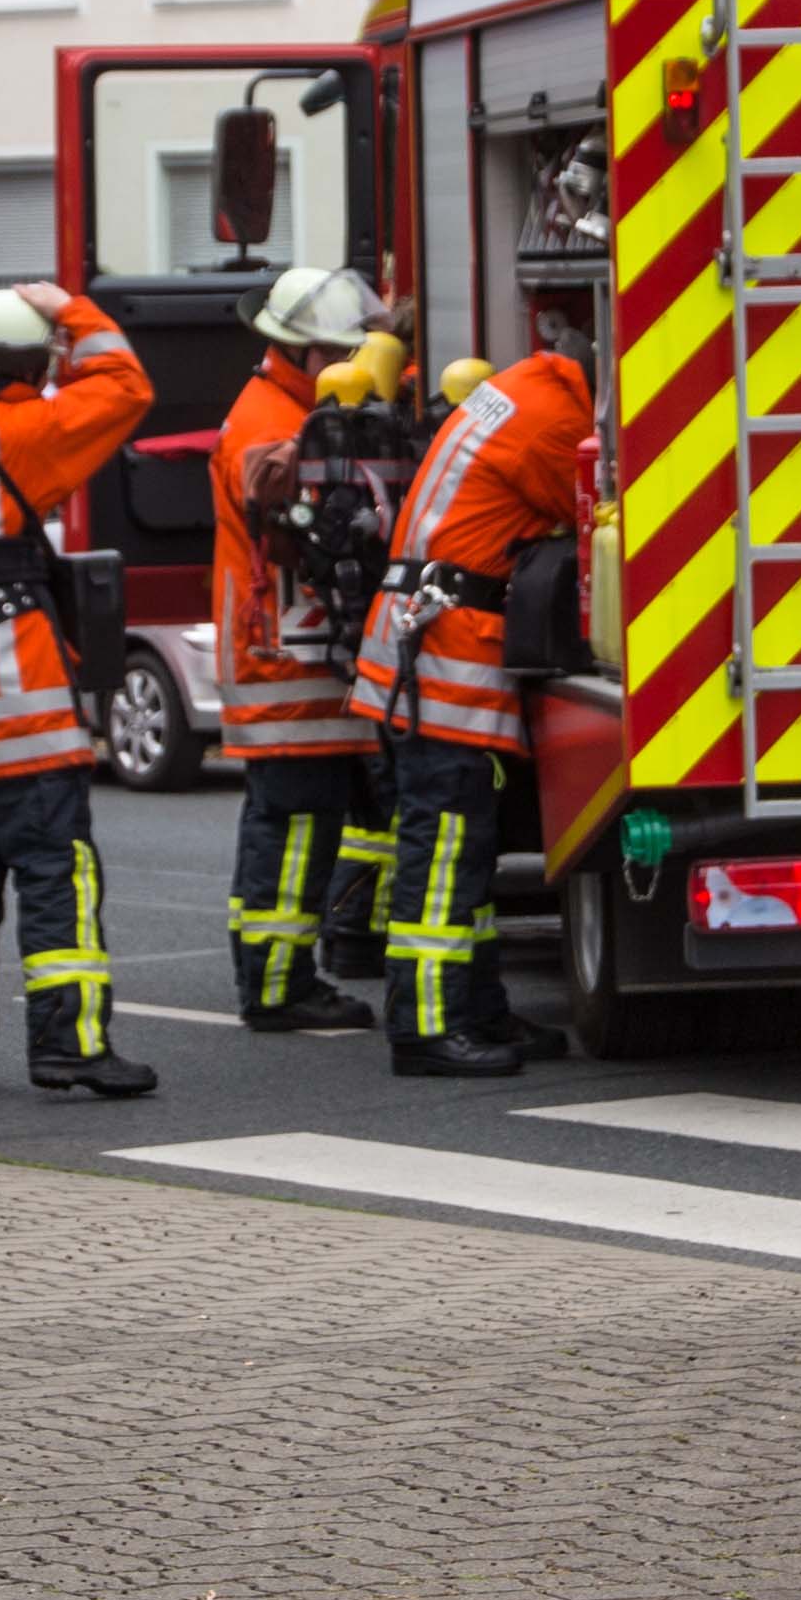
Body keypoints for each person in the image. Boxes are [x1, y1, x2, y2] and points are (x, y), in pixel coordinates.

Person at [0, 282, 155, 1099]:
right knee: (56, 877)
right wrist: (72, 308)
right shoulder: (24, 431)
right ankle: (70, 1046)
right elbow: (125, 387)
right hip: (24, 708)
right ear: (22, 363)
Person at [346, 314, 595, 1075]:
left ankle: (479, 1011)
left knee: (463, 851)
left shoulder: (519, 391)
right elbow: (591, 508)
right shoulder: (554, 418)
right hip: (448, 656)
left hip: (429, 644)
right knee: (446, 847)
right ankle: (425, 1030)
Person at [213, 266, 398, 1031]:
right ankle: (279, 986)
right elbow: (287, 515)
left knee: (311, 816)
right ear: (306, 352)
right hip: (281, 660)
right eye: (345, 354)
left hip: (297, 655)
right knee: (293, 823)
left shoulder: (297, 405)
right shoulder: (271, 425)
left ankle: (297, 961)